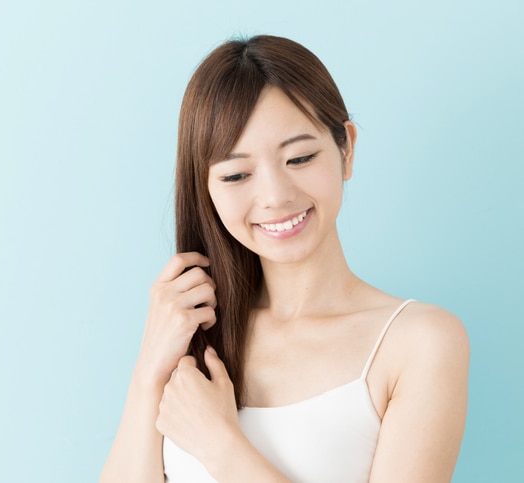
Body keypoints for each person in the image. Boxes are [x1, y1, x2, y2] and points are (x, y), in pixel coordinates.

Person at [100, 35, 468, 482]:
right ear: (206, 189)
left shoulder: (418, 342)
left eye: (299, 157)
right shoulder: (191, 335)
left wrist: (222, 448)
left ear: (346, 149)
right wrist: (149, 370)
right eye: (237, 174)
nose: (275, 197)